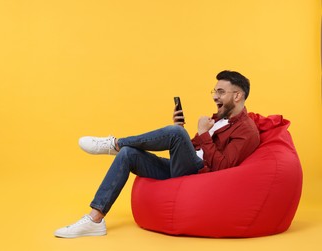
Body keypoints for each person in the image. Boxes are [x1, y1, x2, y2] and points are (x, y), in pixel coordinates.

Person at [54, 70, 260, 238]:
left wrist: (202, 133)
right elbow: (197, 148)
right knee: (128, 154)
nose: (215, 96)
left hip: (199, 177)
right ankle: (94, 219)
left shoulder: (246, 130)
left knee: (176, 134)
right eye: (214, 91)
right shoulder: (218, 119)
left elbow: (223, 168)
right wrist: (181, 132)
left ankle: (114, 143)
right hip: (181, 167)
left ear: (237, 95)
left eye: (221, 92)